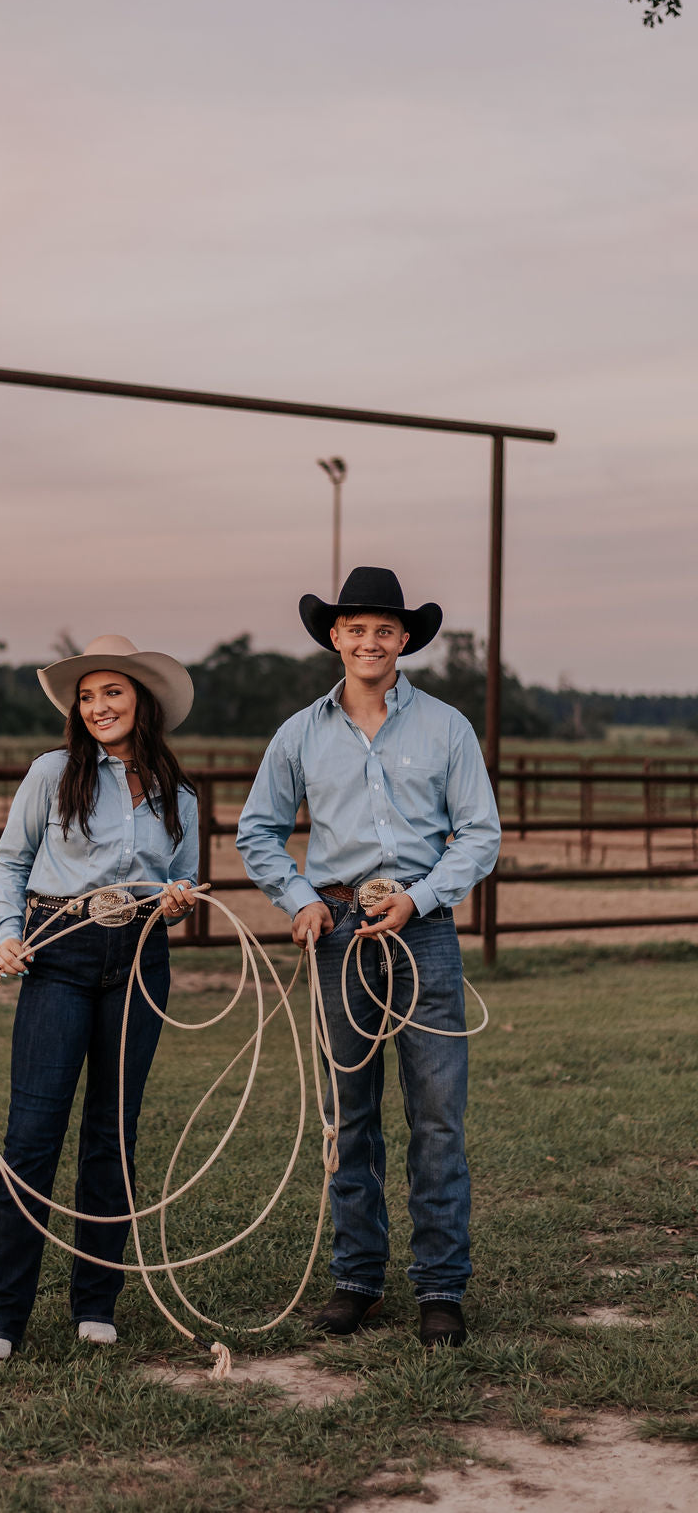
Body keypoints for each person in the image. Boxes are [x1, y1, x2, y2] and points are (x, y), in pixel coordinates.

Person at [236, 567, 501, 1348]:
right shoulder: (300, 733)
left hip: (423, 926)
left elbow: (478, 832)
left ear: (404, 638)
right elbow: (258, 830)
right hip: (340, 929)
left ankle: (440, 1287)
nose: (370, 642)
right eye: (356, 629)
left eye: (384, 629)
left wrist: (419, 898)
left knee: (437, 1116)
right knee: (348, 1112)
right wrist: (301, 899)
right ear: (335, 637)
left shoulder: (446, 727)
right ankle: (357, 1279)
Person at [0, 634, 199, 1362]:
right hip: (59, 949)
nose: (98, 706)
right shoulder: (53, 773)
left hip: (139, 956)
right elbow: (10, 861)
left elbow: (182, 884)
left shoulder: (178, 793)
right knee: (33, 1135)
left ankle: (95, 1302)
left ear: (142, 701)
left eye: (113, 692)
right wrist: (8, 933)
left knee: (112, 1133)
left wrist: (177, 904)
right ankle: (0, 1315)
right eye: (88, 696)